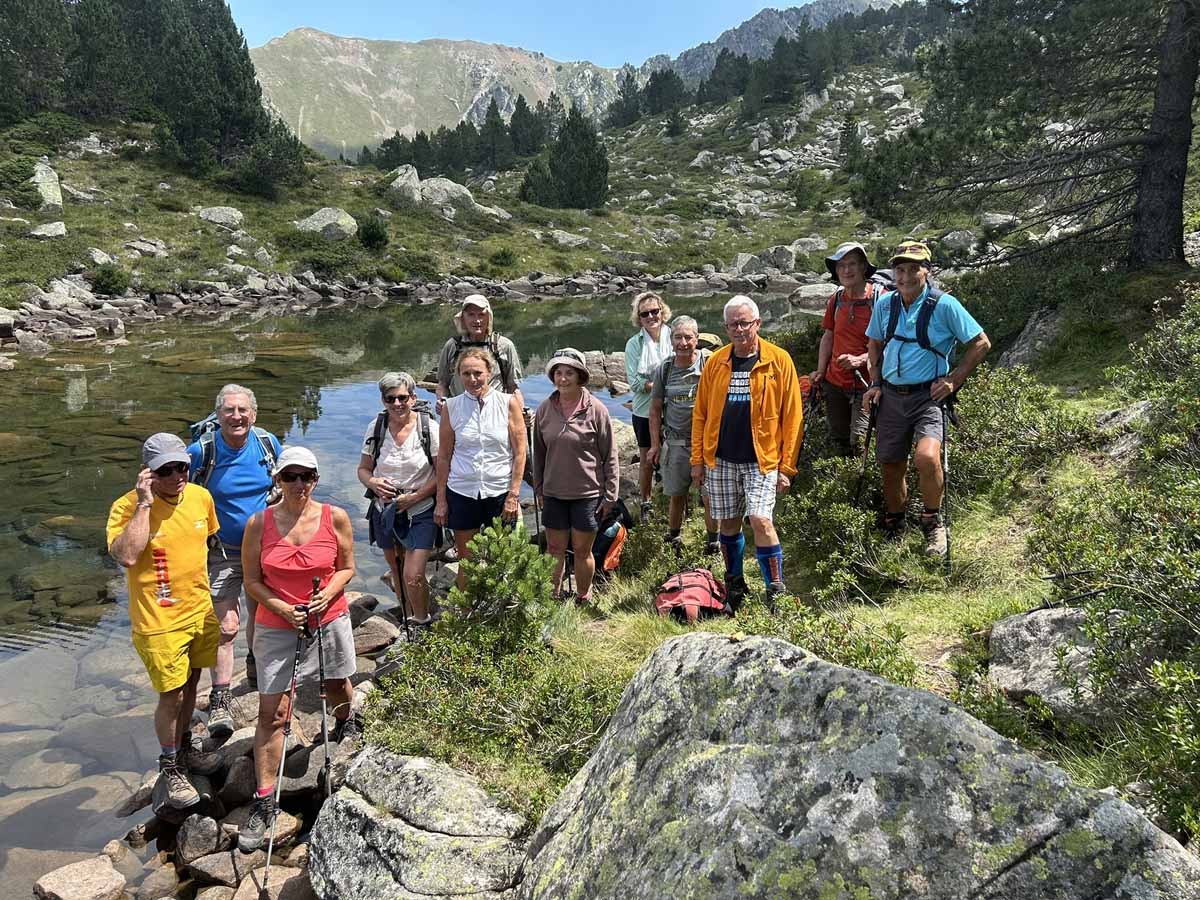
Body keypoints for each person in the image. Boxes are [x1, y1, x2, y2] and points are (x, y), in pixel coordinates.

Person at [238, 446, 356, 852]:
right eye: (291, 476)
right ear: (278, 480)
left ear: (316, 480)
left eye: (306, 476)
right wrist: (283, 608)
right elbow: (251, 581)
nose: (299, 484)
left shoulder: (335, 517)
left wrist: (328, 596)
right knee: (274, 712)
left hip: (329, 617)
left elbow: (346, 566)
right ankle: (264, 799)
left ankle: (346, 725)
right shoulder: (259, 524)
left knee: (338, 683)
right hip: (276, 626)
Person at [107, 433, 225, 812]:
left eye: (182, 467)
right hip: (158, 621)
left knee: (191, 683)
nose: (177, 476)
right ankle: (170, 765)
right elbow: (126, 556)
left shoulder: (200, 498)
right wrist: (144, 505)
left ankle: (186, 744)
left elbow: (207, 544)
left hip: (198, 611)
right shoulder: (126, 507)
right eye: (166, 470)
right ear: (148, 473)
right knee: (170, 694)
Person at [861, 241, 991, 557]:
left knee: (927, 458)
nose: (904, 276)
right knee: (890, 464)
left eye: (912, 269)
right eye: (899, 270)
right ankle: (895, 522)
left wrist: (953, 379)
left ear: (926, 271)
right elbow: (874, 344)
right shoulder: (885, 304)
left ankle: (933, 522)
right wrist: (875, 383)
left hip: (927, 398)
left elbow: (981, 342)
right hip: (891, 395)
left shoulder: (944, 305)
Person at [691, 296, 803, 605]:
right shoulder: (716, 363)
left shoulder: (779, 361)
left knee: (760, 519)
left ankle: (775, 590)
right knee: (728, 522)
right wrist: (697, 460)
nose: (739, 330)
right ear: (725, 328)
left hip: (763, 460)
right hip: (721, 459)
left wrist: (787, 468)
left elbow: (793, 418)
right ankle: (735, 584)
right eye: (733, 325)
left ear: (757, 324)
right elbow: (700, 414)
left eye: (745, 323)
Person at [186, 384, 282, 737]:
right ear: (218, 415)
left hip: (262, 550)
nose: (236, 416)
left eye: (243, 410)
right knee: (226, 627)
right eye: (229, 410)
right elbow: (177, 488)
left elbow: (286, 486)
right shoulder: (203, 451)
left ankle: (256, 670)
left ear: (254, 414)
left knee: (260, 615)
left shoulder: (268, 444)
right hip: (220, 552)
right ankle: (221, 698)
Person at [434, 348, 527, 589]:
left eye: (477, 373)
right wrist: (441, 500)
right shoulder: (451, 407)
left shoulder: (508, 403)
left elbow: (520, 453)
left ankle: (504, 617)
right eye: (466, 374)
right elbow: (443, 457)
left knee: (504, 559)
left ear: (489, 372)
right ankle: (469, 617)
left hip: (499, 492)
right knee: (468, 562)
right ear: (458, 376)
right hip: (462, 492)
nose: (472, 379)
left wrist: (514, 495)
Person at [532, 348, 619, 602]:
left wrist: (610, 495)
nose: (562, 378)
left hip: (588, 494)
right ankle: (553, 597)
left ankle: (583, 596)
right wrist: (538, 488)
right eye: (558, 373)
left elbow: (610, 454)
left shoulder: (597, 410)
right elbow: (538, 453)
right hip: (553, 493)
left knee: (583, 550)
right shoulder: (544, 410)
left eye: (569, 373)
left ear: (580, 376)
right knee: (554, 550)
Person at [357, 372, 438, 630]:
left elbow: (442, 473)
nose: (397, 404)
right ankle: (406, 617)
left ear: (413, 398)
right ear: (383, 400)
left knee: (413, 573)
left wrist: (416, 496)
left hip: (421, 508)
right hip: (385, 509)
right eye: (390, 398)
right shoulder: (376, 428)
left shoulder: (428, 428)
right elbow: (363, 469)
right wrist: (372, 483)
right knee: (396, 566)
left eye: (403, 397)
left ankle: (421, 620)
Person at [647, 316, 719, 555]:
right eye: (678, 337)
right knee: (676, 495)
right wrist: (655, 445)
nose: (683, 342)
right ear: (671, 340)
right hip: (676, 443)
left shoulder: (709, 364)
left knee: (709, 496)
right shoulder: (664, 370)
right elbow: (655, 410)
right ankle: (674, 538)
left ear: (697, 339)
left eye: (688, 337)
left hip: (707, 444)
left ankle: (713, 543)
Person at [811, 242, 881, 456]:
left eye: (852, 264)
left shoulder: (880, 299)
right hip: (835, 382)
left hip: (866, 382)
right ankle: (841, 484)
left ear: (863, 268)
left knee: (860, 440)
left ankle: (861, 484)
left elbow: (889, 343)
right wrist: (821, 371)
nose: (846, 270)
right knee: (837, 437)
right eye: (841, 266)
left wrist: (861, 359)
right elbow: (828, 336)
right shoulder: (837, 299)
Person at [624, 291, 672, 523]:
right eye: (645, 314)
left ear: (663, 312)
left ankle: (672, 497)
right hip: (644, 411)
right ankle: (646, 502)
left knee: (674, 455)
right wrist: (663, 384)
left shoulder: (674, 337)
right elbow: (635, 383)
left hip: (673, 410)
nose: (651, 316)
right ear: (639, 318)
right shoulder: (634, 344)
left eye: (655, 311)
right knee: (646, 459)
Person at [434, 294, 523, 412]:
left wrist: (520, 414)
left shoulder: (504, 346)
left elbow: (513, 387)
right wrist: (442, 401)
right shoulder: (452, 346)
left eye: (481, 315)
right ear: (463, 318)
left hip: (495, 413)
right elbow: (442, 384)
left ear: (489, 317)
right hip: (459, 414)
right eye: (471, 315)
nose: (477, 320)